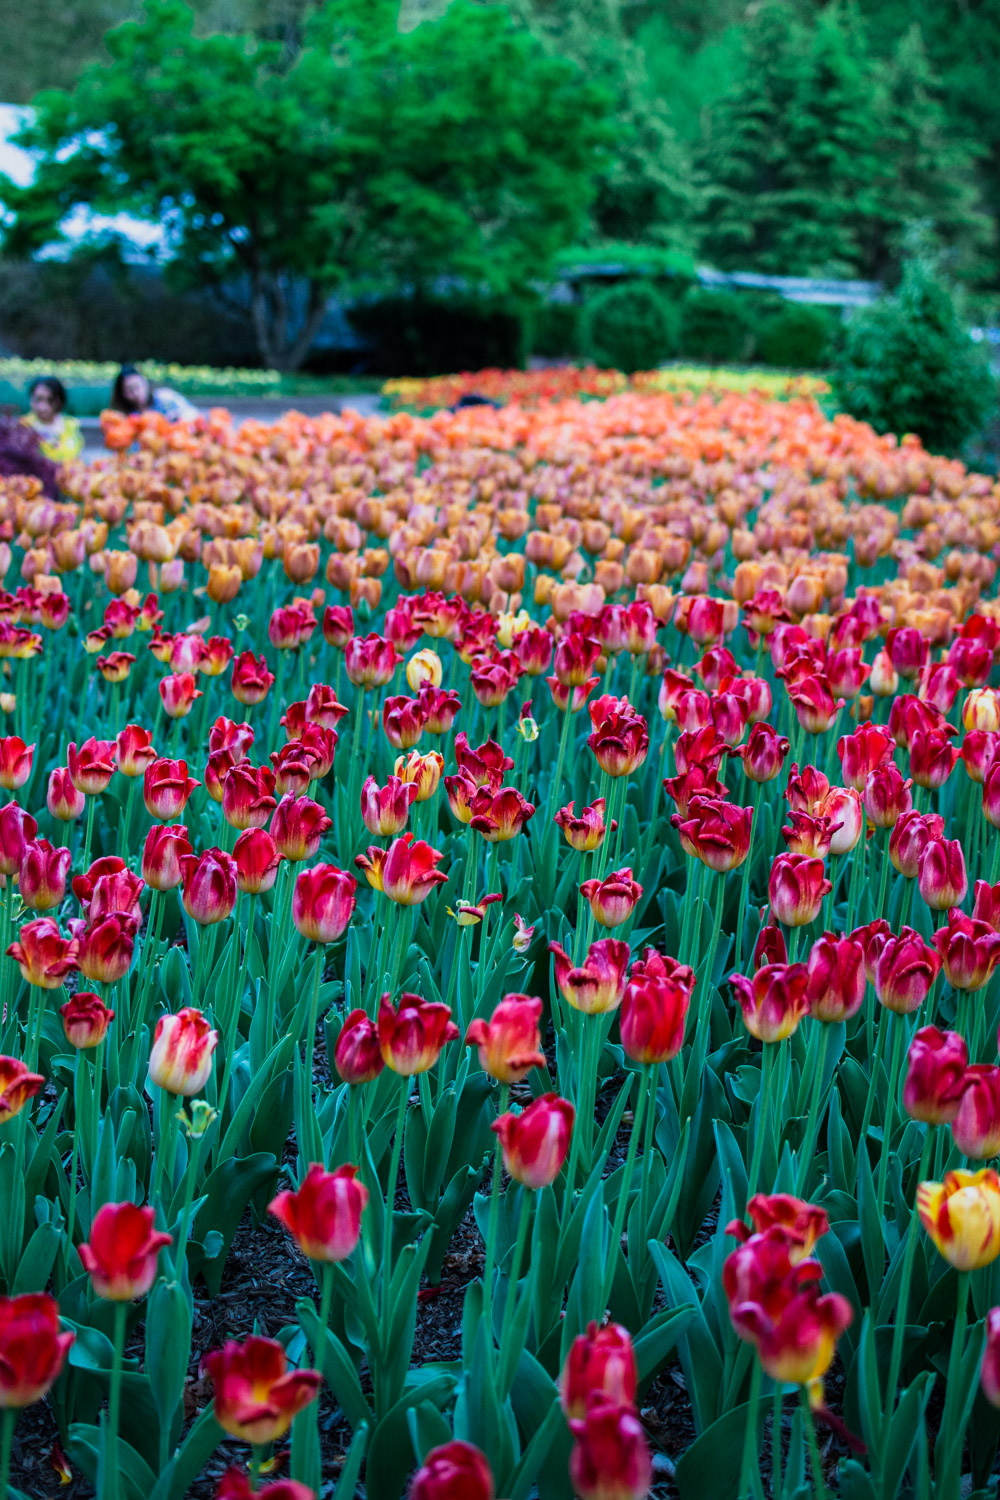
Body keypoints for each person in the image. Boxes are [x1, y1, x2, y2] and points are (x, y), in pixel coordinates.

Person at [21, 377, 85, 464]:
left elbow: (78, 458)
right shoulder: (24, 425)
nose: (42, 407)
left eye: (50, 400)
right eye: (38, 399)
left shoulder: (71, 425)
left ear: (59, 401)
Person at [110, 364, 198, 423]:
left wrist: (178, 419)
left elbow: (193, 414)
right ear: (122, 394)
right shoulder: (125, 417)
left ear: (145, 383)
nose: (136, 393)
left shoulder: (166, 398)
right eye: (129, 390)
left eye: (138, 387)